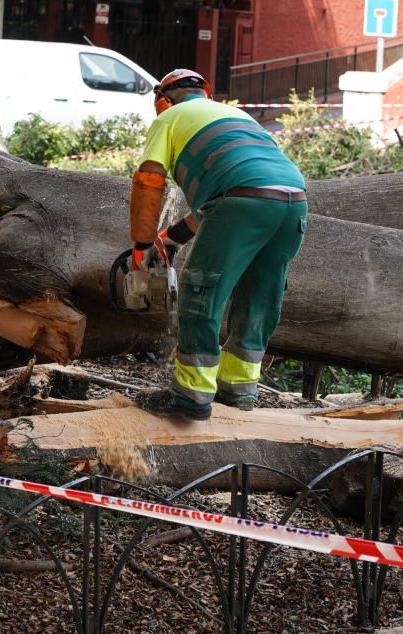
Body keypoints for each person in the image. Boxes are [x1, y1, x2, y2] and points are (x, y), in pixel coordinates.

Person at [129, 68, 307, 421]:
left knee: (201, 291)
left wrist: (141, 245)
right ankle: (238, 390)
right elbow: (226, 200)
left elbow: (149, 180)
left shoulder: (170, 118)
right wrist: (170, 239)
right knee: (260, 295)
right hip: (293, 203)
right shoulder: (237, 116)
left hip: (242, 201)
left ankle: (190, 396)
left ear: (164, 99)